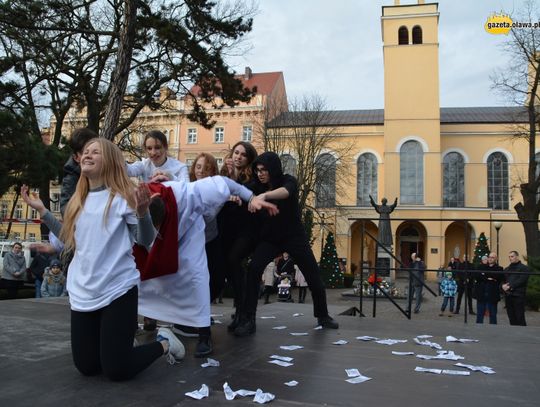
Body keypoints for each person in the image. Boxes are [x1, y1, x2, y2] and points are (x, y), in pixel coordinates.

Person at [21, 138, 185, 381]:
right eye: (85, 152)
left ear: (109, 161)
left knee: (117, 370)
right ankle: (115, 344)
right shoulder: (77, 202)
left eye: (95, 152)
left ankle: (164, 343)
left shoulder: (122, 197)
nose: (87, 155)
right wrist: (43, 212)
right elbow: (69, 240)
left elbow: (145, 240)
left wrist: (142, 214)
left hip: (117, 290)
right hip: (83, 290)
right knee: (87, 366)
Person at [136, 173, 278, 357]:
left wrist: (251, 197)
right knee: (140, 277)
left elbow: (226, 183)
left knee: (198, 278)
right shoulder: (136, 199)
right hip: (156, 238)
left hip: (189, 234)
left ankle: (204, 335)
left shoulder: (188, 192)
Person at [235, 151, 339, 337]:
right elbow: (239, 191)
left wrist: (263, 197)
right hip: (270, 239)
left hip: (294, 236)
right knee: (254, 269)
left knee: (313, 275)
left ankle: (322, 316)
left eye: (264, 170)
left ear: (273, 169)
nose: (260, 174)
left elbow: (286, 192)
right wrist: (236, 196)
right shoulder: (254, 186)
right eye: (258, 170)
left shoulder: (287, 180)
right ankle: (248, 318)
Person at [217, 141, 260, 332]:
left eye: (243, 154)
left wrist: (234, 179)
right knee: (229, 267)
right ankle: (239, 310)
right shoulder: (224, 174)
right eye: (236, 152)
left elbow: (245, 195)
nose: (238, 157)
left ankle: (244, 312)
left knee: (234, 260)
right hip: (228, 230)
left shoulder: (253, 179)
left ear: (249, 159)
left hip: (247, 231)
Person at [60, 128, 99, 216]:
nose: (90, 156)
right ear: (76, 157)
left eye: (95, 151)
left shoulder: (108, 168)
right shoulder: (71, 177)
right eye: (85, 152)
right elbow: (66, 210)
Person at [474, 253, 503, 324]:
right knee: (479, 315)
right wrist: (489, 278)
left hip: (492, 295)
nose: (490, 258)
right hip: (481, 295)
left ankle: (493, 331)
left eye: (492, 257)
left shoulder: (499, 268)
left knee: (493, 315)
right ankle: (478, 331)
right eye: (489, 257)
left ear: (496, 259)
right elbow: (477, 276)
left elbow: (498, 278)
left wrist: (484, 275)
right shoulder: (481, 267)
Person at [502, 250, 530, 326]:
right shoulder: (506, 269)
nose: (510, 258)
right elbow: (503, 280)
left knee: (520, 317)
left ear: (517, 256)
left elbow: (521, 280)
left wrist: (510, 286)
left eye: (512, 256)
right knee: (511, 317)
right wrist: (503, 286)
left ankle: (522, 335)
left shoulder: (525, 268)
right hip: (508, 296)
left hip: (518, 296)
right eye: (509, 257)